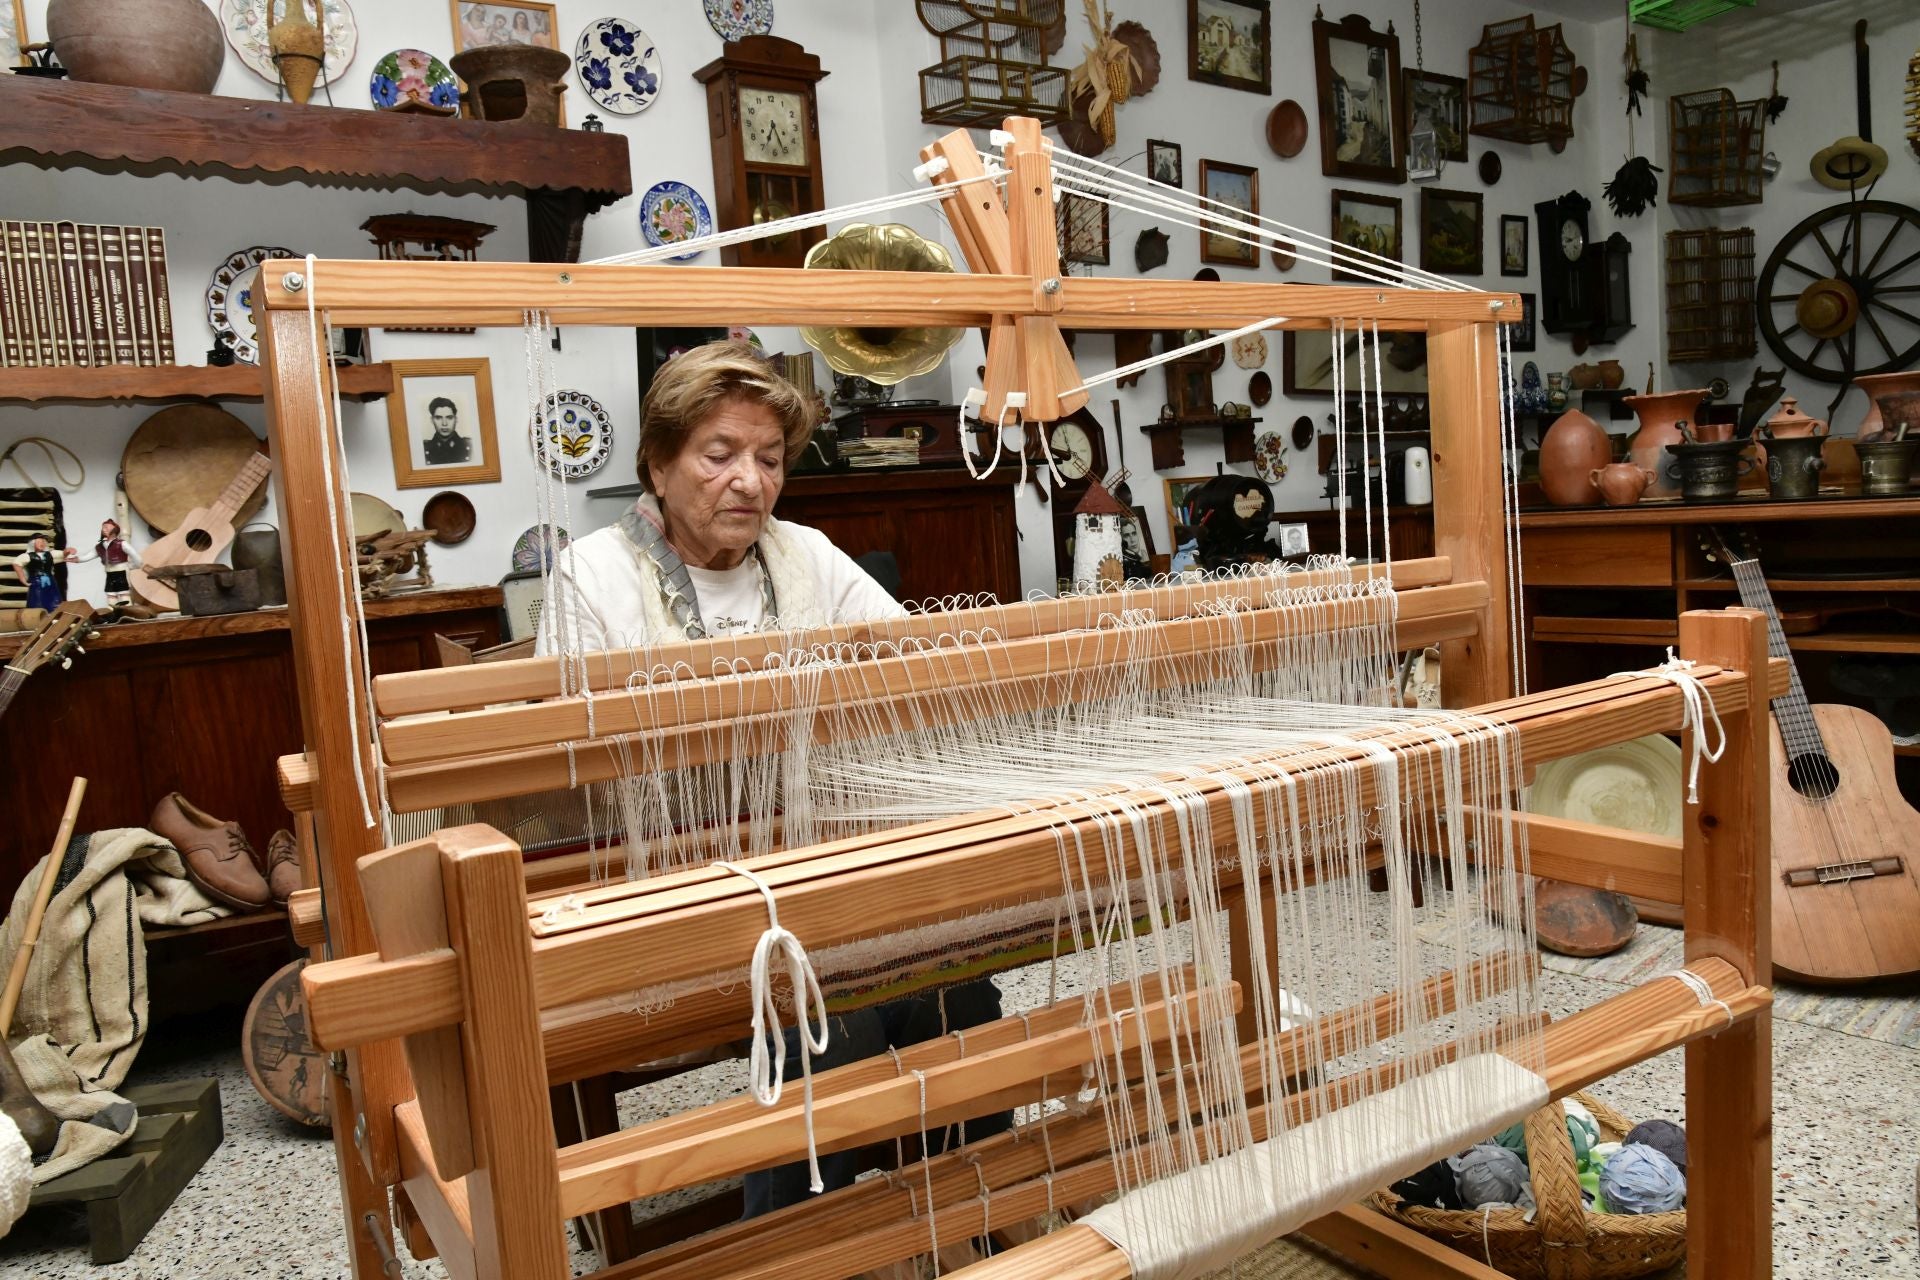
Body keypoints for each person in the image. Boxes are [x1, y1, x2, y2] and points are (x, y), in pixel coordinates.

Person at [538, 341, 1010, 1214]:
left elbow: (918, 676)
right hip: (674, 883)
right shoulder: (593, 575)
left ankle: (971, 1215)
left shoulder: (808, 558)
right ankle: (800, 1240)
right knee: (836, 1023)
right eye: (719, 456)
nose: (749, 482)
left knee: (960, 988)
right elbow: (570, 779)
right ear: (659, 462)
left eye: (768, 459)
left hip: (820, 863)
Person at [67, 518, 140, 606]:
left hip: (121, 572)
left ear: (114, 530)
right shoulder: (100, 546)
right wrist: (76, 559)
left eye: (106, 527)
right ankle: (113, 612)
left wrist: (135, 565)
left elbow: (135, 555)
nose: (104, 530)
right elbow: (88, 556)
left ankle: (128, 610)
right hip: (109, 573)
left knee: (123, 593)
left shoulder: (121, 544)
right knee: (111, 594)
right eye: (103, 528)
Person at [11, 533, 73, 611]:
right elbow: (16, 563)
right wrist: (22, 579)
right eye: (39, 542)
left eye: (43, 542)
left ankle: (55, 615)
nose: (42, 544)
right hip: (37, 581)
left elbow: (62, 554)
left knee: (54, 599)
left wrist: (67, 551)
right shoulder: (27, 556)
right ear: (32, 544)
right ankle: (37, 617)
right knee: (37, 600)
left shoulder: (50, 554)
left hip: (50, 581)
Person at [421, 396, 472, 465]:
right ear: (432, 420)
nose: (444, 423)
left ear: (456, 419)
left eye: (449, 417)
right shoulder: (423, 448)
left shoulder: (469, 445)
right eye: (438, 418)